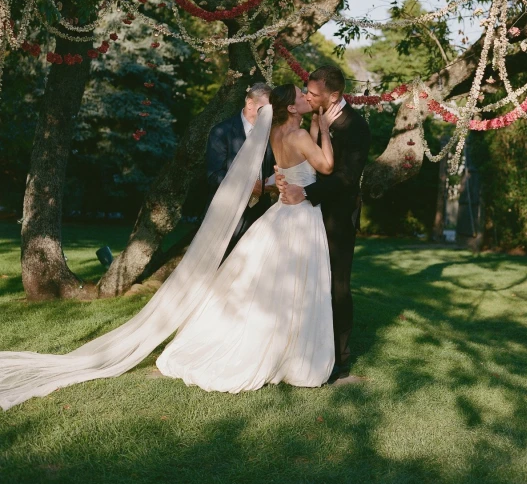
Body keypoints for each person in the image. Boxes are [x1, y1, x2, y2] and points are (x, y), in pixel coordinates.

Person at [0, 85, 343, 408]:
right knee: (295, 283)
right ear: (289, 106)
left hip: (281, 212)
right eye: (301, 95)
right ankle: (287, 354)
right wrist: (324, 130)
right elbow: (324, 165)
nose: (306, 96)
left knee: (270, 285)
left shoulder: (276, 134)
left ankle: (280, 349)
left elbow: (293, 165)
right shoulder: (279, 133)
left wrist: (279, 179)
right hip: (296, 215)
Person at [276, 66, 371, 383]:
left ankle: (338, 361)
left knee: (337, 286)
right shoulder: (310, 120)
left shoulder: (356, 127)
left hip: (336, 218)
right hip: (303, 218)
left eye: (313, 93)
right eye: (306, 91)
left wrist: (305, 191)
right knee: (303, 284)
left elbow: (346, 178)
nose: (307, 96)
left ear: (334, 95)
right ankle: (300, 349)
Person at [205, 83, 275, 261]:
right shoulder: (222, 131)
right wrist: (247, 185)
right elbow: (213, 176)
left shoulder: (271, 134)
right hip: (227, 214)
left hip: (261, 215)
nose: (268, 114)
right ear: (250, 104)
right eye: (264, 109)